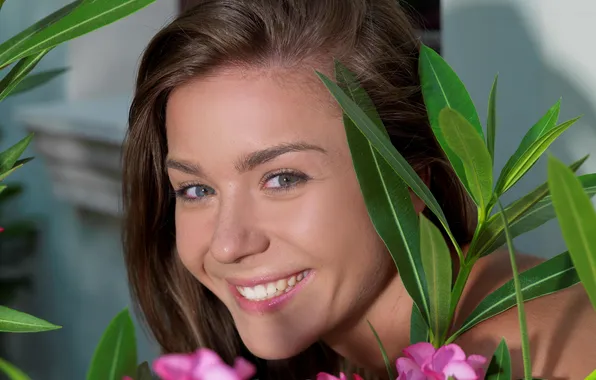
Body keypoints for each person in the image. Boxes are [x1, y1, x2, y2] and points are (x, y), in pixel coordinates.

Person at [121, 0, 596, 379]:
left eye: (282, 179)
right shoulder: (342, 350)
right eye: (196, 189)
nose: (227, 244)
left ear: (413, 179)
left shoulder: (535, 359)